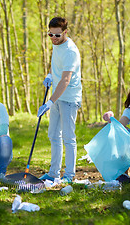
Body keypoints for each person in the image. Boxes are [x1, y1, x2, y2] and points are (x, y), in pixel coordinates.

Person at [37, 17, 82, 183]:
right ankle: (53, 172)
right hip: (56, 95)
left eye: (57, 35)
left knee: (68, 137)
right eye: (50, 35)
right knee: (53, 135)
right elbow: (56, 64)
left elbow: (65, 80)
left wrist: (49, 102)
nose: (53, 39)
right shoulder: (56, 44)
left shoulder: (71, 51)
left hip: (69, 98)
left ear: (65, 32)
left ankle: (69, 175)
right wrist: (50, 74)